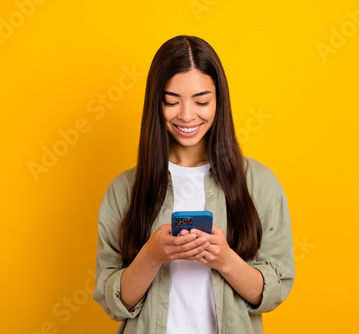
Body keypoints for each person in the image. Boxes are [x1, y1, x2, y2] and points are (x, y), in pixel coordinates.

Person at [93, 35, 295, 334]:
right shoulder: (124, 189)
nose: (187, 115)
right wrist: (151, 255)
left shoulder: (259, 183)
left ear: (219, 100)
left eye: (201, 101)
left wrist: (225, 259)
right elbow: (112, 302)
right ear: (155, 102)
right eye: (171, 101)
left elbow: (273, 291)